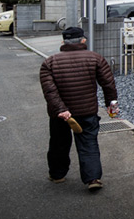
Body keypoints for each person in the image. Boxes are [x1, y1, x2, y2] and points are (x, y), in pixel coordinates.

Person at [40, 26, 117, 192]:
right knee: (88, 143)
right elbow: (108, 84)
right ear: (83, 40)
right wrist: (112, 107)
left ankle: (57, 175)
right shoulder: (95, 58)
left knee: (59, 144)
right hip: (87, 111)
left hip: (60, 115)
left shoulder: (50, 62)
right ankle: (93, 178)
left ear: (63, 42)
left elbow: (49, 91)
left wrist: (62, 109)